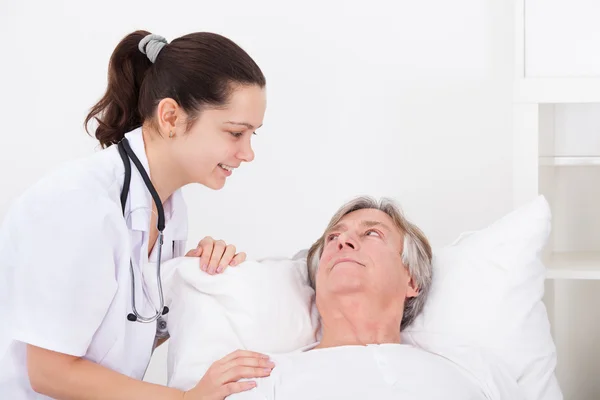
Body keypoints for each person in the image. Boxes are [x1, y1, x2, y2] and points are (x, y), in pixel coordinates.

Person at [0, 30, 275, 399]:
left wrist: (192, 285)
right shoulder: (79, 205)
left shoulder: (169, 211)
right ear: (171, 117)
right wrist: (186, 399)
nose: (248, 153)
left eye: (252, 135)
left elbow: (126, 335)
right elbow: (49, 372)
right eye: (235, 133)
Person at [224, 196, 493, 399]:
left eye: (371, 233)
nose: (343, 241)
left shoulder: (473, 371)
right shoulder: (262, 379)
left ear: (411, 278)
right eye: (333, 237)